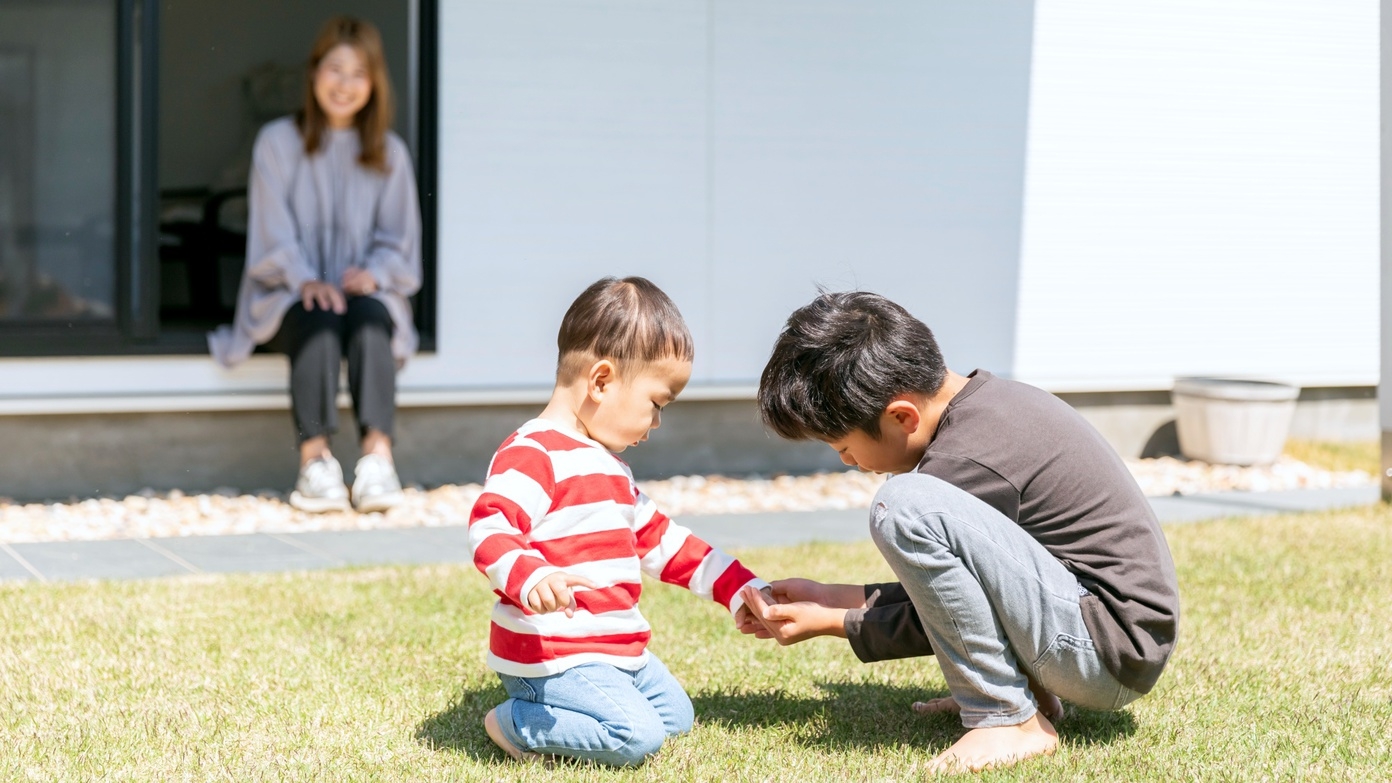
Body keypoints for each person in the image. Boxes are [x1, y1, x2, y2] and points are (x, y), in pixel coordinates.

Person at [737, 291, 1180, 774]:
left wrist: (834, 621)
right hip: (1112, 638)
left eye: (843, 446)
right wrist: (829, 596)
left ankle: (1005, 717)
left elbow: (942, 611)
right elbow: (962, 595)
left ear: (901, 416)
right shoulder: (986, 411)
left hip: (1102, 650)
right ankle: (1021, 692)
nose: (847, 462)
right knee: (910, 500)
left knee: (902, 505)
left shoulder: (965, 458)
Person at [467, 276, 769, 767]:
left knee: (676, 720)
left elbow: (666, 543)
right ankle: (514, 723)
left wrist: (739, 587)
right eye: (656, 404)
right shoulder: (532, 453)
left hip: (616, 651)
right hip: (552, 656)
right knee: (636, 737)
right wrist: (532, 575)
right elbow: (490, 527)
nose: (656, 423)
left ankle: (583, 709)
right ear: (601, 381)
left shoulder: (613, 469)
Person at [208, 16, 421, 514]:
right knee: (318, 317)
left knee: (371, 317)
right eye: (335, 69)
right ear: (313, 73)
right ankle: (315, 463)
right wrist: (305, 279)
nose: (345, 84)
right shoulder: (277, 143)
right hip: (288, 294)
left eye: (359, 73)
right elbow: (271, 234)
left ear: (374, 84)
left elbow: (400, 244)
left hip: (365, 294)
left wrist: (374, 274)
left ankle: (377, 461)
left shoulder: (390, 153)